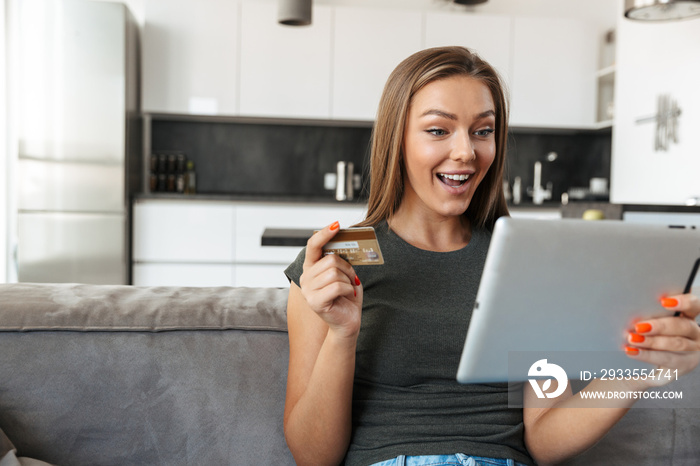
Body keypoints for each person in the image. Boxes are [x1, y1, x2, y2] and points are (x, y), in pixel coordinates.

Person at [282, 46, 700, 466]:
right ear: (398, 139)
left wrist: (639, 372)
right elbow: (313, 457)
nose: (466, 152)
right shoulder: (330, 268)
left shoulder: (528, 267)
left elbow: (545, 436)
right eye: (438, 130)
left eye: (483, 131)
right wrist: (342, 335)